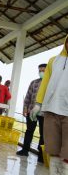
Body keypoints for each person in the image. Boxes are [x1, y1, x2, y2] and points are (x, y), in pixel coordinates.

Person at [30, 35, 68, 175]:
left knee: (67, 152)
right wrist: (38, 104)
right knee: (52, 149)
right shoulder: (53, 61)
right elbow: (45, 83)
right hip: (51, 111)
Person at [16, 64, 47, 164]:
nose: (41, 72)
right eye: (40, 70)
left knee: (43, 134)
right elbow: (28, 97)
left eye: (43, 70)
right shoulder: (34, 82)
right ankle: (25, 150)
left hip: (44, 113)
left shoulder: (50, 83)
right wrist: (25, 108)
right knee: (29, 131)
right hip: (31, 111)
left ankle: (41, 156)